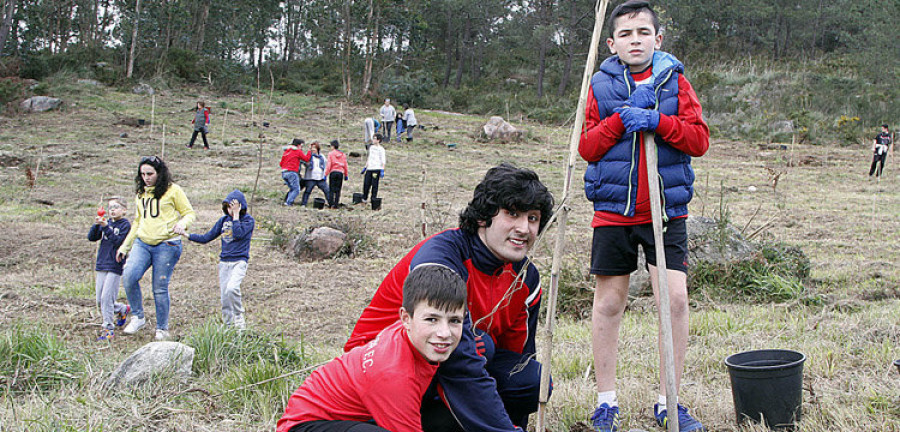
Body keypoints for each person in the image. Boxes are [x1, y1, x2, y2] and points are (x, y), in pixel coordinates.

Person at [578, 2, 709, 431]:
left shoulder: (675, 81)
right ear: (612, 43)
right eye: (626, 34)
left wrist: (658, 120)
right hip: (614, 211)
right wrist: (620, 119)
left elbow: (699, 139)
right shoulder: (598, 83)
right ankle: (606, 403)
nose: (635, 40)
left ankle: (668, 402)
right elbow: (587, 147)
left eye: (643, 32)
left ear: (658, 39)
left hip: (666, 211)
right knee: (610, 302)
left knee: (673, 301)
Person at [344, 163, 555, 432]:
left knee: (529, 378)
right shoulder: (441, 257)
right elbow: (461, 358)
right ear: (483, 216)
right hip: (378, 377)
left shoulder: (526, 277)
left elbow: (517, 356)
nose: (524, 228)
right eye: (512, 214)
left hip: (444, 376)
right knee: (477, 346)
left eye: (533, 218)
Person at [277, 265, 467, 432]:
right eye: (432, 319)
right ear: (406, 319)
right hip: (306, 424)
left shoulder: (410, 335)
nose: (444, 333)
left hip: (359, 417)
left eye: (454, 321)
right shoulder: (393, 374)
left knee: (451, 419)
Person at [117, 156, 196, 341]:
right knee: (129, 275)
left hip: (167, 244)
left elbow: (189, 213)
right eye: (143, 174)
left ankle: (162, 328)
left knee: (159, 287)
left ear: (159, 173)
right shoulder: (141, 193)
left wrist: (182, 224)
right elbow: (138, 221)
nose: (146, 177)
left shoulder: (173, 190)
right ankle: (138, 316)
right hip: (143, 242)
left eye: (150, 174)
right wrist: (125, 246)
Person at [184, 189, 255, 329]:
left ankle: (239, 317)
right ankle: (228, 326)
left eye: (234, 207)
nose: (230, 210)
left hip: (239, 261)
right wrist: (187, 235)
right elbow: (206, 237)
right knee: (224, 297)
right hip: (224, 263)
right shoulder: (223, 220)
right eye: (228, 207)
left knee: (232, 288)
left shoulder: (248, 220)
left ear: (241, 207)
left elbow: (239, 233)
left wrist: (236, 216)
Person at [88, 197, 132, 341]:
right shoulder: (105, 223)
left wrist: (106, 227)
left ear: (124, 210)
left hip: (115, 265)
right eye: (110, 207)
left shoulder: (125, 225)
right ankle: (121, 309)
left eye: (116, 207)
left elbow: (118, 242)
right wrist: (97, 225)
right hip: (102, 263)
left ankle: (108, 328)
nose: (112, 210)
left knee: (107, 298)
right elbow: (92, 237)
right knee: (100, 300)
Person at [300, 142, 332, 207]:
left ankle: (331, 204)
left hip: (320, 177)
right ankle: (303, 204)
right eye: (311, 148)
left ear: (317, 148)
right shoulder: (309, 156)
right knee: (307, 191)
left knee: (327, 190)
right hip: (310, 177)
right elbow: (305, 163)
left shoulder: (322, 157)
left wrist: (325, 175)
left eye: (314, 148)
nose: (313, 149)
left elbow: (326, 166)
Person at [281, 138, 311, 206]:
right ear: (298, 145)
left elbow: (281, 163)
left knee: (292, 188)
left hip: (284, 172)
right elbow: (306, 159)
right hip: (292, 172)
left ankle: (287, 202)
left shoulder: (286, 151)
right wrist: (309, 151)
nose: (301, 148)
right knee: (296, 189)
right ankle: (288, 203)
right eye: (301, 146)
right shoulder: (297, 151)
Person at [360, 134, 385, 206]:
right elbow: (369, 158)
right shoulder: (371, 148)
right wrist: (365, 167)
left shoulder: (381, 149)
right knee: (366, 184)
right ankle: (364, 198)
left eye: (375, 139)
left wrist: (382, 169)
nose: (373, 140)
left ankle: (373, 199)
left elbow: (383, 160)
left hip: (376, 169)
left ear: (378, 140)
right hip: (369, 168)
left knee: (374, 185)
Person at [325, 140, 349, 208]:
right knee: (338, 190)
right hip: (340, 173)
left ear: (333, 146)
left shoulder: (331, 154)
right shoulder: (343, 155)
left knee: (332, 189)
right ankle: (336, 204)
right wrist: (346, 174)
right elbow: (345, 165)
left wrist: (326, 174)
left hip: (333, 172)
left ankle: (331, 204)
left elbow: (329, 164)